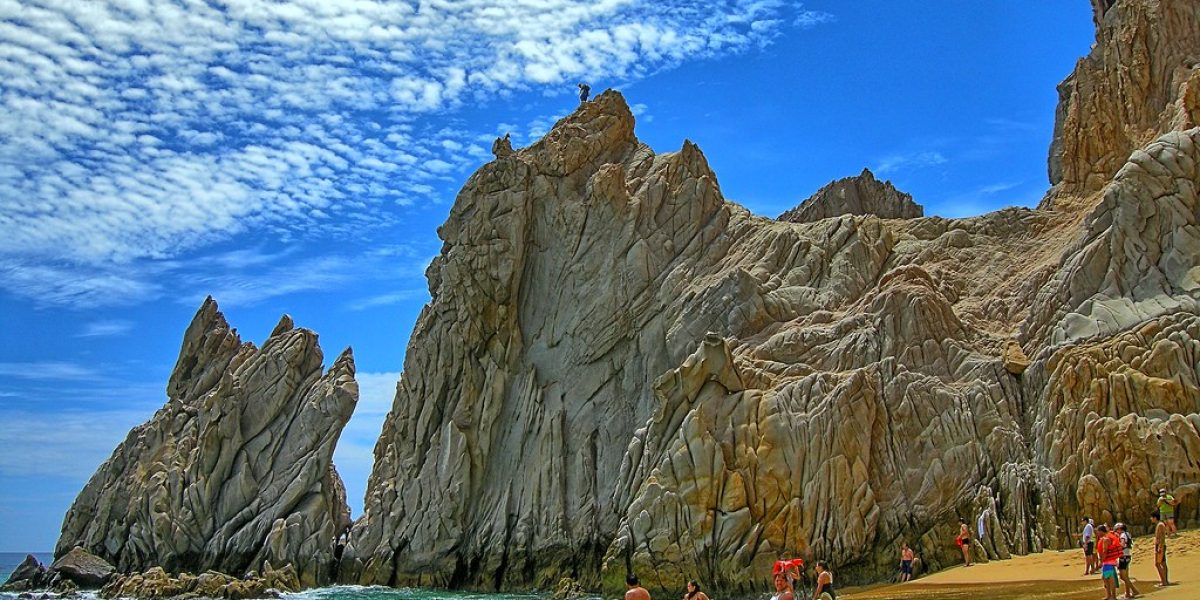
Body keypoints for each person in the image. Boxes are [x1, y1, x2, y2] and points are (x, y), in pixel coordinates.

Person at [1096, 524, 1122, 600]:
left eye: (1098, 532)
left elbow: (1105, 551)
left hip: (1108, 562)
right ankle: (1109, 595)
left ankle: (1113, 596)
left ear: (1101, 531)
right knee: (1105, 578)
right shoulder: (1106, 538)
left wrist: (1101, 562)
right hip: (1109, 562)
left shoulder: (1105, 539)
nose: (1097, 533)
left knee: (1109, 579)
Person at [1115, 523, 1140, 599]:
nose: (1116, 531)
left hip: (1123, 556)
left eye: (1117, 529)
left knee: (1122, 576)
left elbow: (1122, 545)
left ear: (1120, 529)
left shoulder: (1122, 535)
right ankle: (1127, 593)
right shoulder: (1127, 534)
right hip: (1128, 555)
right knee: (1126, 576)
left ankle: (1134, 590)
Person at [1151, 511, 1170, 587]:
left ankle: (1164, 581)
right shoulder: (1159, 524)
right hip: (1160, 545)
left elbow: (1162, 537)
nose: (1151, 519)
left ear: (1155, 518)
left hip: (1160, 546)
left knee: (1157, 564)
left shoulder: (1160, 525)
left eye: (1151, 517)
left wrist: (1159, 547)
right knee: (1163, 563)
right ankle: (1165, 580)